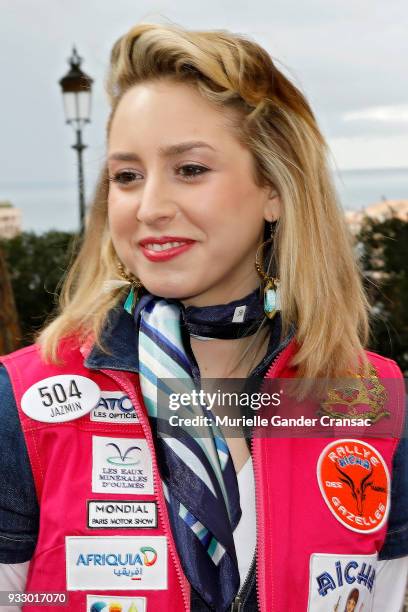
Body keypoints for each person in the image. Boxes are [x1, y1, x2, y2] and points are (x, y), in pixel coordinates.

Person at [0, 22, 408, 612]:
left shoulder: (371, 400)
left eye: (189, 169)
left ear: (274, 189)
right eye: (127, 176)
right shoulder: (25, 403)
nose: (150, 207)